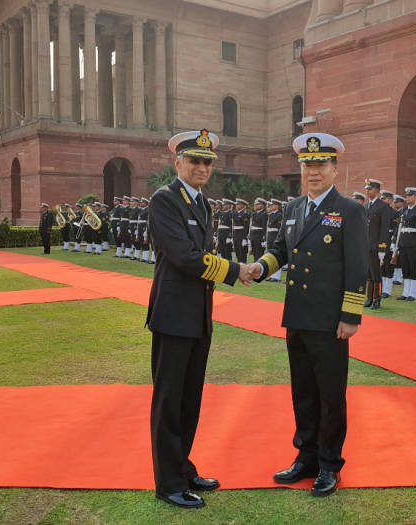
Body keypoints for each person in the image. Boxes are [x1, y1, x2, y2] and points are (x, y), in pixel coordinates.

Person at [248, 132, 368, 498]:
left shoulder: (349, 210)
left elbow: (357, 266)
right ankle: (306, 456)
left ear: (334, 168)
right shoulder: (293, 208)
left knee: (330, 394)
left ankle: (330, 464)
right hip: (297, 316)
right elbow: (280, 250)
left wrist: (351, 316)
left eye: (320, 165)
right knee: (303, 391)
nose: (313, 172)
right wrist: (260, 268)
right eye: (307, 165)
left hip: (331, 320)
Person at [146, 129, 254, 509]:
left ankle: (183, 468)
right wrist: (236, 269)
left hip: (198, 315)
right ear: (178, 163)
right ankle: (168, 483)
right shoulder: (164, 200)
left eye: (207, 162)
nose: (202, 167)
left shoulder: (202, 203)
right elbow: (185, 256)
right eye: (194, 160)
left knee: (189, 399)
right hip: (173, 315)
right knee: (168, 401)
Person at [395, 187, 416, 301]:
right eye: (407, 196)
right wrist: (397, 244)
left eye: (410, 196)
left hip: (413, 243)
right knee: (405, 268)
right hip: (403, 242)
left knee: (413, 268)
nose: (407, 198)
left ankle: (412, 294)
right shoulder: (404, 211)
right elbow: (399, 228)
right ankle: (405, 292)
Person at [363, 178, 391, 309]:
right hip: (366, 245)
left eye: (370, 189)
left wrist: (382, 248)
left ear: (377, 191)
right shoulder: (365, 206)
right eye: (367, 189)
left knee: (376, 274)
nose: (367, 191)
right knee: (368, 273)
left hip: (376, 246)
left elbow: (384, 229)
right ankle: (369, 298)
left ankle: (377, 299)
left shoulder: (383, 207)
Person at [379, 189, 398, 298]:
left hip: (389, 239)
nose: (383, 200)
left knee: (388, 265)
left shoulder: (394, 213)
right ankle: (381, 288)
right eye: (382, 198)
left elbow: (395, 229)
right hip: (380, 240)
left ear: (390, 200)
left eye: (385, 199)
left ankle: (387, 290)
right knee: (380, 266)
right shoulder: (378, 210)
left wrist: (393, 242)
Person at [265, 198, 284, 282]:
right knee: (270, 255)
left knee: (276, 256)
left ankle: (276, 277)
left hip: (275, 236)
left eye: (272, 205)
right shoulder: (271, 215)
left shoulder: (280, 215)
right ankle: (271, 275)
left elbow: (279, 228)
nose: (270, 206)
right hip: (270, 236)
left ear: (276, 206)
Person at [391, 194, 406, 285]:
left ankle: (399, 278)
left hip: (402, 237)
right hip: (395, 236)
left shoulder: (403, 212)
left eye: (397, 202)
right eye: (394, 202)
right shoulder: (395, 212)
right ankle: (395, 277)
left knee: (400, 259)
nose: (395, 204)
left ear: (401, 203)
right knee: (395, 258)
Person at [232, 198, 250, 263]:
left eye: (238, 204)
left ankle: (243, 266)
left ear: (242, 205)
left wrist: (244, 238)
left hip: (241, 235)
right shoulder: (235, 213)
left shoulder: (245, 214)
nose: (236, 206)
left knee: (242, 253)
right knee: (237, 253)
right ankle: (239, 266)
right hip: (235, 235)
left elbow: (246, 227)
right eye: (236, 205)